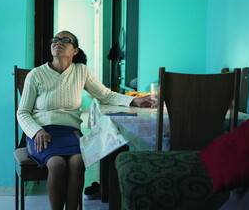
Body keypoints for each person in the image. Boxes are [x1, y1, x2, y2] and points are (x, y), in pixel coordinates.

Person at [17, 30, 152, 210]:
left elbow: (105, 95)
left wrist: (133, 100)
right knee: (56, 164)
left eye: (66, 40)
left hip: (69, 131)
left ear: (75, 51)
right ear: (51, 47)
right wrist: (36, 131)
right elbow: (23, 112)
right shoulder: (36, 74)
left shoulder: (81, 71)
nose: (59, 42)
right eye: (55, 39)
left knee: (78, 162)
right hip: (42, 132)